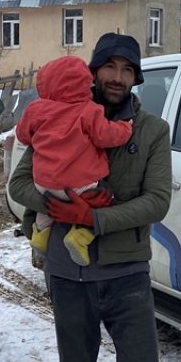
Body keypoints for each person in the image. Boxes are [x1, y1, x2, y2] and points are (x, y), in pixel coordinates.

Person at [9, 32, 175, 362]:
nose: (117, 78)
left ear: (136, 76)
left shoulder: (150, 130)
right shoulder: (59, 112)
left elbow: (158, 200)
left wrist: (96, 218)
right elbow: (20, 183)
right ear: (95, 70)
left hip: (126, 276)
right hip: (68, 275)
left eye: (128, 69)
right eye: (110, 67)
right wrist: (59, 206)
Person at [16, 54, 134, 266]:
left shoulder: (37, 109)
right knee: (103, 200)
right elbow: (105, 135)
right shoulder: (88, 110)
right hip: (80, 184)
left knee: (46, 211)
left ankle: (41, 235)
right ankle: (80, 236)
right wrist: (125, 127)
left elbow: (23, 136)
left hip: (43, 183)